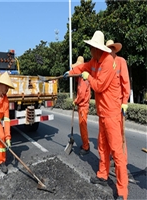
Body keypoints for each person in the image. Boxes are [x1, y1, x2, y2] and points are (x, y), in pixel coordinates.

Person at [63, 31, 128, 200]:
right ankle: (102, 175)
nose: (90, 50)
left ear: (99, 49)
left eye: (92, 47)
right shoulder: (94, 61)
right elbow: (82, 68)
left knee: (117, 151)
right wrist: (71, 72)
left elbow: (98, 86)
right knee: (102, 146)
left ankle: (122, 191)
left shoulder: (108, 62)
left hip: (113, 113)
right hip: (102, 113)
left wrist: (88, 77)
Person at [106, 40, 130, 168]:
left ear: (115, 49)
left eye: (112, 48)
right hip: (109, 105)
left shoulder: (121, 62)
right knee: (110, 135)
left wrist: (125, 101)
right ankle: (112, 157)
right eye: (108, 49)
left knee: (120, 134)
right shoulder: (105, 64)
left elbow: (125, 82)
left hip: (119, 104)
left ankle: (122, 161)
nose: (110, 51)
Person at [72, 56, 91, 155]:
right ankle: (85, 143)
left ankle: (86, 146)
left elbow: (81, 94)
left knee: (83, 126)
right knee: (82, 126)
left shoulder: (83, 80)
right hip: (82, 106)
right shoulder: (80, 78)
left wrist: (76, 101)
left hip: (83, 106)